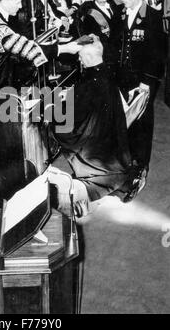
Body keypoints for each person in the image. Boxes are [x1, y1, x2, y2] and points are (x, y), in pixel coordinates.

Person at [51, 37, 143, 208]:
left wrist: (54, 108)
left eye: (80, 56)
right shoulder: (106, 73)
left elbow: (71, 121)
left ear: (86, 58)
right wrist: (73, 95)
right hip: (111, 141)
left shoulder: (88, 85)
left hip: (94, 145)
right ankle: (123, 181)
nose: (78, 59)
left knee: (57, 127)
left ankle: (100, 184)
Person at [112, 0, 166, 179]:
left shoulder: (152, 17)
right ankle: (125, 162)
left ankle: (141, 166)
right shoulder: (120, 13)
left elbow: (158, 55)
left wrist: (147, 83)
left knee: (142, 125)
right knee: (124, 122)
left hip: (142, 81)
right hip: (122, 79)